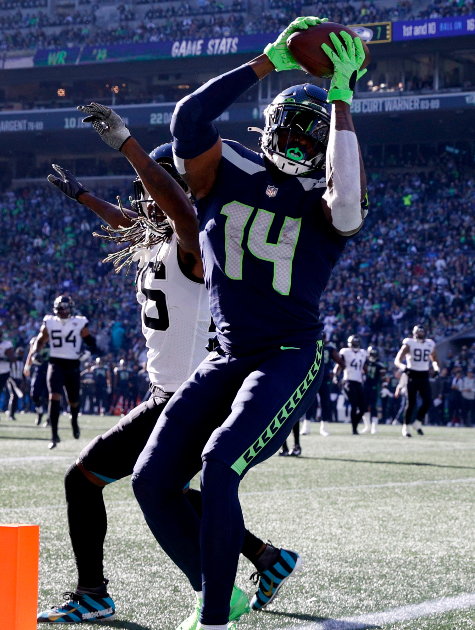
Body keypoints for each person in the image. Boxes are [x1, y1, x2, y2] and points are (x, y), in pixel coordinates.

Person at [124, 16, 369, 627]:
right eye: (290, 126)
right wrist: (266, 61)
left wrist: (340, 100)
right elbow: (187, 121)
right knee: (151, 481)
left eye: (312, 136)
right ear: (269, 126)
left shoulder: (328, 197)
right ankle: (223, 592)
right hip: (229, 354)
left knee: (219, 465)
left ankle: (212, 618)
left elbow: (346, 203)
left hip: (289, 351)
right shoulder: (221, 170)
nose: (297, 141)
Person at [37, 145, 290, 624]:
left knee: (109, 482)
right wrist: (84, 196)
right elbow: (125, 224)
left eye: (157, 191)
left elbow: (182, 219)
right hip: (166, 394)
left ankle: (186, 590)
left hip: (193, 397)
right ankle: (267, 558)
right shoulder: (153, 240)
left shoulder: (196, 241)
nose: (145, 202)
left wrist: (137, 157)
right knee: (166, 492)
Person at [26, 294, 101, 448]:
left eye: (66, 308)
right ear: (56, 309)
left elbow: (92, 344)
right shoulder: (50, 322)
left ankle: (74, 421)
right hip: (55, 363)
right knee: (54, 397)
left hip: (73, 364)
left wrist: (87, 354)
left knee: (73, 400)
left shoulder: (79, 322)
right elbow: (40, 341)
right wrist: (35, 353)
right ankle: (54, 435)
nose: (64, 311)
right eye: (61, 308)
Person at [394, 325, 440, 438]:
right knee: (411, 403)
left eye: (422, 332)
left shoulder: (430, 344)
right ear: (414, 333)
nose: (420, 335)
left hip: (424, 374)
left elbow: (434, 358)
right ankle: (406, 427)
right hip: (412, 374)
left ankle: (418, 422)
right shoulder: (409, 343)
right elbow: (397, 360)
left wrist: (436, 368)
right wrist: (403, 368)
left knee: (428, 401)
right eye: (418, 333)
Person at [338, 335, 368, 434]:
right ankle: (354, 429)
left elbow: (365, 368)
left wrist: (367, 375)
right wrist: (335, 376)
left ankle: (355, 424)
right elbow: (340, 364)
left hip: (359, 382)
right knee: (354, 405)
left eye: (356, 343)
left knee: (363, 408)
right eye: (353, 343)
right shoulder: (345, 352)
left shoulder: (363, 353)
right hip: (349, 381)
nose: (355, 345)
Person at [361, 346, 385, 433]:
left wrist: (384, 387)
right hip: (365, 386)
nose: (373, 355)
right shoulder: (364, 362)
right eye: (372, 353)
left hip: (374, 387)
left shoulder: (379, 365)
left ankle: (374, 427)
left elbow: (383, 377)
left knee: (373, 406)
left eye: (375, 353)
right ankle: (367, 426)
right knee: (364, 406)